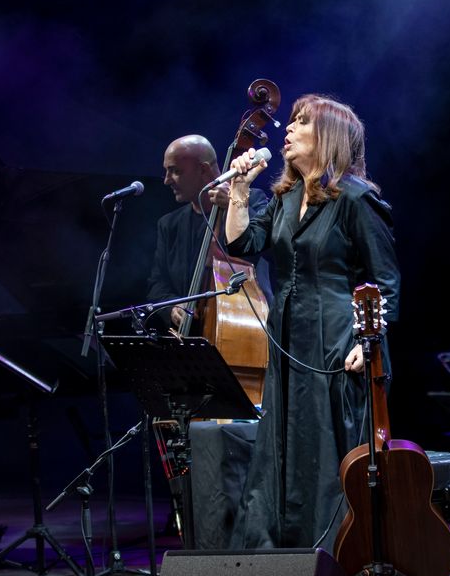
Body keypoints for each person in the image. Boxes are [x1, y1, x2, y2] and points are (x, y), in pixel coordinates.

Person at [221, 95, 400, 550]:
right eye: (292, 121)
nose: (288, 129)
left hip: (339, 340)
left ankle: (338, 550)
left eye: (301, 122)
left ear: (328, 137)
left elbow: (386, 280)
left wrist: (368, 339)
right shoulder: (285, 198)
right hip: (289, 338)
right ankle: (281, 551)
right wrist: (239, 190)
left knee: (326, 447)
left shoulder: (356, 199)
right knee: (284, 444)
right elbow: (242, 245)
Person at [146, 134, 271, 331]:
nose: (167, 180)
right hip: (191, 333)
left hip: (244, 325)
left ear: (203, 169)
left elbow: (266, 246)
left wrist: (234, 204)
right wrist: (172, 307)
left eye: (175, 171)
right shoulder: (169, 225)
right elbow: (157, 283)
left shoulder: (253, 201)